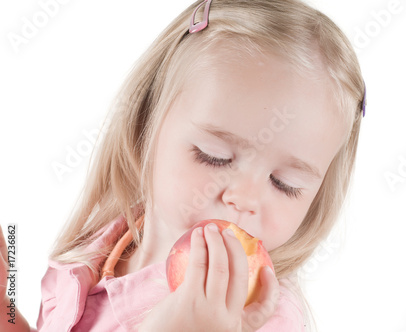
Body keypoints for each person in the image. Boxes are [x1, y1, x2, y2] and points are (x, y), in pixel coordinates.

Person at [0, 0, 366, 330]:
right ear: (146, 123)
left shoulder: (260, 316)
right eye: (214, 156)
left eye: (283, 183)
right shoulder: (104, 240)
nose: (243, 197)